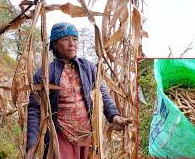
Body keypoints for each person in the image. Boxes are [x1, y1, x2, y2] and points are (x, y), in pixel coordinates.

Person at [26, 22, 131, 159]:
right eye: (65, 39)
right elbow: (35, 108)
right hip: (61, 137)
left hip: (87, 135)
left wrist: (114, 116)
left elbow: (102, 95)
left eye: (75, 39)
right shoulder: (45, 73)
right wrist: (32, 143)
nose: (72, 44)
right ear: (55, 44)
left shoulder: (88, 68)